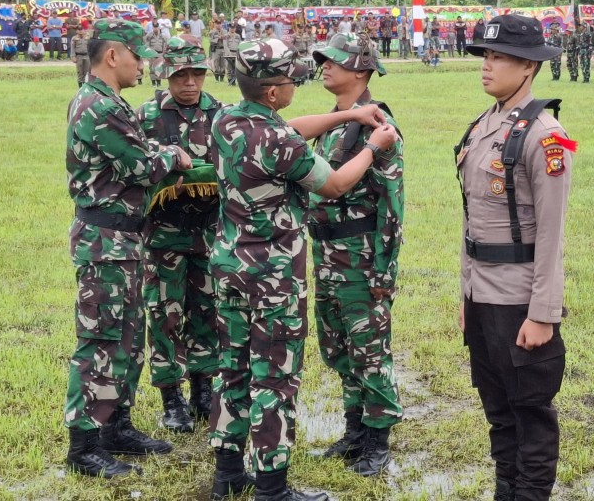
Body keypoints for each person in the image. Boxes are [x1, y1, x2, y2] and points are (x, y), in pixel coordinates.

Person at [208, 39, 398, 501]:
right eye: (291, 81)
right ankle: (272, 488)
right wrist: (373, 146)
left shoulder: (226, 120)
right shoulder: (278, 141)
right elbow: (334, 184)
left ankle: (228, 475)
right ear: (273, 92)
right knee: (274, 378)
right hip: (271, 278)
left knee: (232, 370)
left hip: (229, 269)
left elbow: (290, 127)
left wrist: (351, 116)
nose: (298, 85)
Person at [64, 19, 194, 478]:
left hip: (123, 239)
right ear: (114, 55)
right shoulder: (99, 106)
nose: (143, 66)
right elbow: (141, 166)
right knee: (100, 340)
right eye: (138, 57)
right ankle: (83, 446)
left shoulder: (106, 101)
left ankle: (115, 426)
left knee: (126, 337)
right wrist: (173, 155)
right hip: (106, 242)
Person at [456, 15, 574, 501]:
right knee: (499, 413)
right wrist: (465, 296)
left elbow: (552, 232)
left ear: (528, 66)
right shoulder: (484, 124)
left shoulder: (546, 135)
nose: (487, 66)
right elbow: (472, 221)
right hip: (482, 294)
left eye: (499, 57)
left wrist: (543, 313)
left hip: (519, 299)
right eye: (485, 55)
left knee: (530, 414)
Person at [308, 34, 404, 477]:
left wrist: (385, 269)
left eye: (335, 61)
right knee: (338, 348)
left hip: (361, 259)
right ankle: (355, 431)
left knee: (369, 350)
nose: (325, 66)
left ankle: (378, 439)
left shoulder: (378, 128)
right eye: (323, 60)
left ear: (362, 70)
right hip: (327, 255)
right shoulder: (335, 122)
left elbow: (391, 204)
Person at [136, 35, 224, 442]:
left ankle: (203, 390)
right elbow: (137, 169)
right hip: (163, 236)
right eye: (181, 75)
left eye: (197, 74)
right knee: (164, 314)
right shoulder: (147, 116)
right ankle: (171, 398)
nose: (190, 82)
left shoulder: (221, 114)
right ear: (166, 74)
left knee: (207, 312)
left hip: (209, 234)